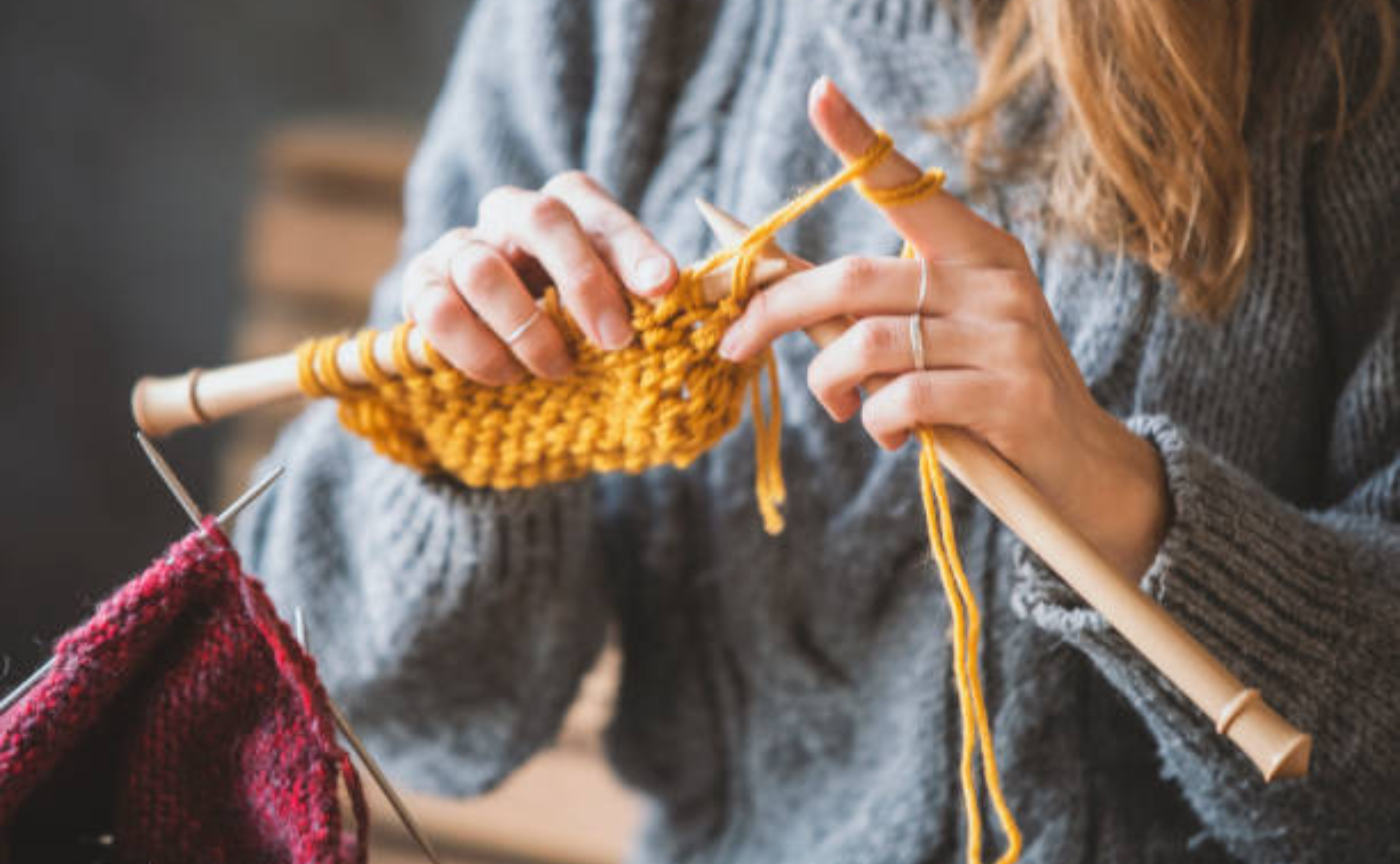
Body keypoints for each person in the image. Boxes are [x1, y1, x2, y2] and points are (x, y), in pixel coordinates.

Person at [237, 0, 1400, 861]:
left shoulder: (1347, 68)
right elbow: (378, 715)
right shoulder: (615, 24)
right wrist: (466, 440)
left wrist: (1119, 503)